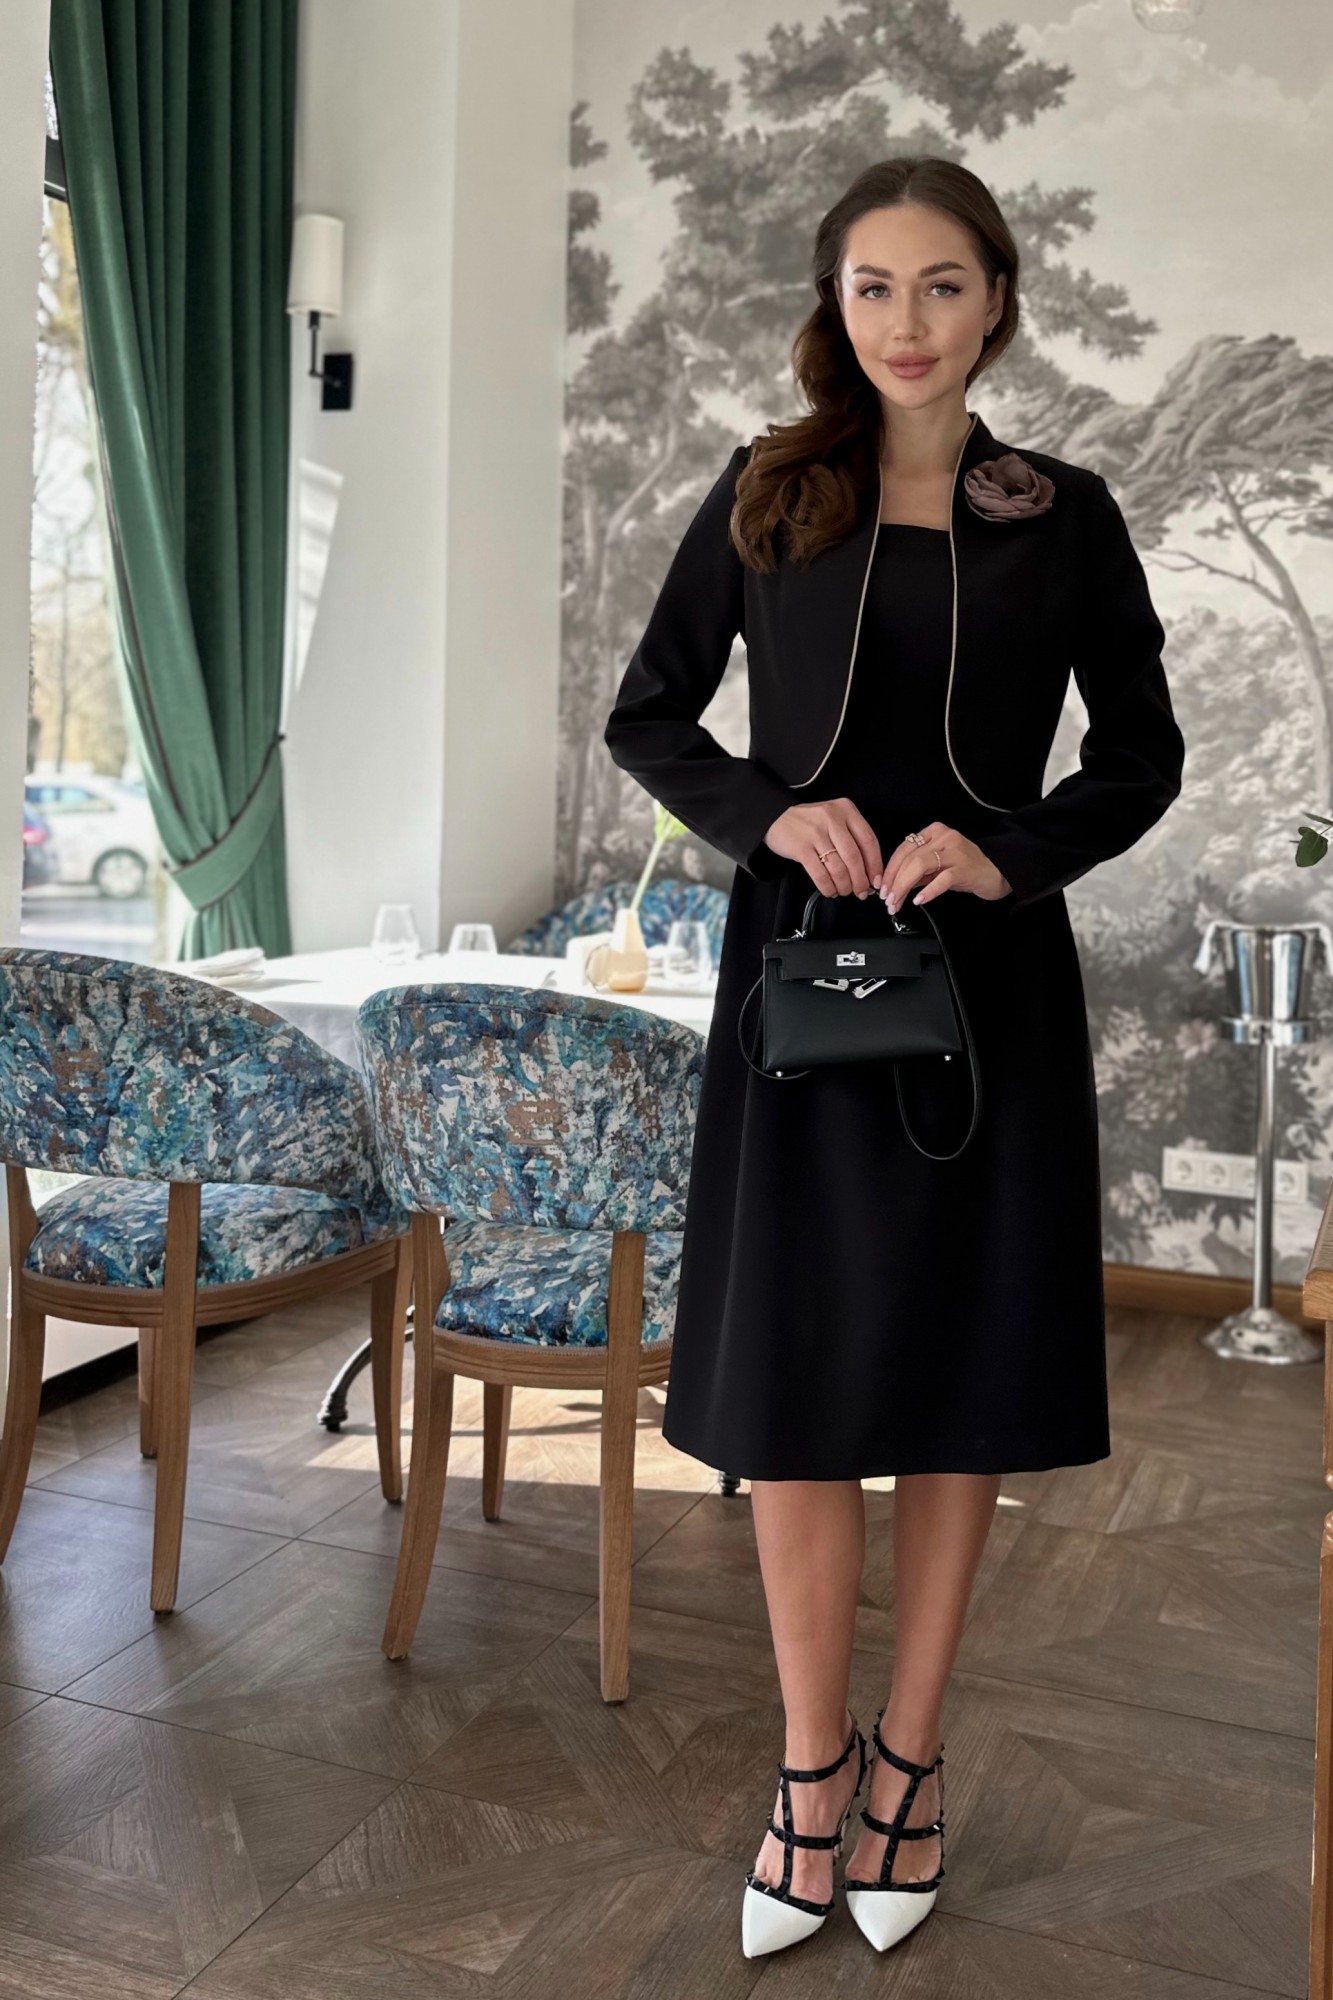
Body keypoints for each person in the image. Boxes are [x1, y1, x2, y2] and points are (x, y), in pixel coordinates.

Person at [603, 155, 1185, 1962]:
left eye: (942, 285)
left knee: (959, 1382)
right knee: (794, 1387)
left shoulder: (1063, 515)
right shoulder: (765, 493)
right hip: (798, 991)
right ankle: (807, 1773)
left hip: (988, 995)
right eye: (873, 286)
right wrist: (771, 817)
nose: (907, 322)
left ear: (995, 300)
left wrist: (1011, 851)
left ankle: (909, 1765)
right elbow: (648, 714)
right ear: (833, 302)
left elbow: (1140, 751)